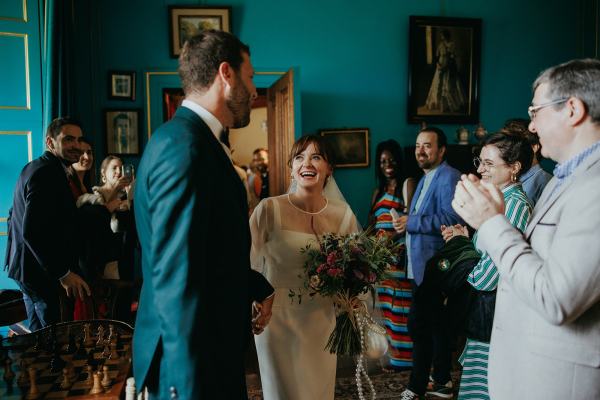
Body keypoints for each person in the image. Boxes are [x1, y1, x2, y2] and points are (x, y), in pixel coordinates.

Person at [133, 30, 275, 400]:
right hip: (192, 366)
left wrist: (255, 284)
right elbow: (176, 277)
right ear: (226, 74)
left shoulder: (196, 142)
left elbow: (206, 251)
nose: (255, 90)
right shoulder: (185, 150)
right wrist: (186, 386)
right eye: (251, 77)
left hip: (211, 350)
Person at [452, 58, 600, 400]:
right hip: (529, 368)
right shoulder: (566, 178)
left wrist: (491, 222)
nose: (531, 127)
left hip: (560, 383)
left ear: (573, 109)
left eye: (536, 112)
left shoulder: (593, 185)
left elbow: (558, 298)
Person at [251, 135, 360, 400]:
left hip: (321, 319)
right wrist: (252, 301)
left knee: (317, 392)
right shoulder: (269, 209)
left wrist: (352, 296)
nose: (306, 163)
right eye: (299, 157)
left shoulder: (343, 214)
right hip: (275, 319)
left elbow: (355, 267)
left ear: (329, 168)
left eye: (316, 157)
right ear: (291, 168)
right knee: (280, 393)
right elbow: (248, 262)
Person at [442, 132, 533, 399]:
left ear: (514, 167)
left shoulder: (514, 204)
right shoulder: (499, 202)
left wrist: (461, 248)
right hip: (488, 316)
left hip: (495, 316)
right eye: (479, 161)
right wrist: (466, 239)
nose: (480, 169)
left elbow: (486, 278)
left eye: (489, 164)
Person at [4, 117, 91, 331]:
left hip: (30, 270)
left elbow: (13, 215)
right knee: (56, 341)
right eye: (69, 139)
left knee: (38, 341)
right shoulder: (46, 173)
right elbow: (32, 231)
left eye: (80, 140)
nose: (77, 146)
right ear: (50, 142)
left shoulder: (39, 167)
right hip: (41, 275)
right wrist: (63, 273)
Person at [395, 127, 463, 400]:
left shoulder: (448, 176)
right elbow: (423, 218)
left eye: (427, 145)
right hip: (419, 267)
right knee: (434, 327)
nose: (420, 150)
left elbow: (450, 219)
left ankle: (416, 384)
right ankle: (443, 381)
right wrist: (405, 223)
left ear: (442, 150)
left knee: (418, 326)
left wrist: (410, 222)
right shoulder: (425, 178)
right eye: (417, 146)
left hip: (436, 267)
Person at [367, 139, 416, 371]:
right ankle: (392, 358)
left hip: (399, 257)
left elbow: (409, 221)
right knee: (386, 310)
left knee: (401, 310)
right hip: (379, 262)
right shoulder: (378, 192)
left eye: (392, 160)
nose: (388, 165)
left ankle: (405, 361)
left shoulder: (407, 184)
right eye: (383, 161)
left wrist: (391, 241)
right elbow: (371, 224)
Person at [501, 118, 553, 205]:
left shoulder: (546, 183)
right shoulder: (507, 177)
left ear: (534, 147)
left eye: (516, 143)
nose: (508, 149)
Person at [424, 29, 466, 113]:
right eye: (441, 35)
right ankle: (437, 103)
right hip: (440, 64)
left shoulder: (452, 44)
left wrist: (448, 64)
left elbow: (453, 56)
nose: (441, 37)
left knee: (448, 85)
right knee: (438, 83)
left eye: (442, 35)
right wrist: (438, 64)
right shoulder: (440, 45)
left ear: (446, 35)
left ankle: (450, 105)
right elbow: (437, 55)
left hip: (449, 66)